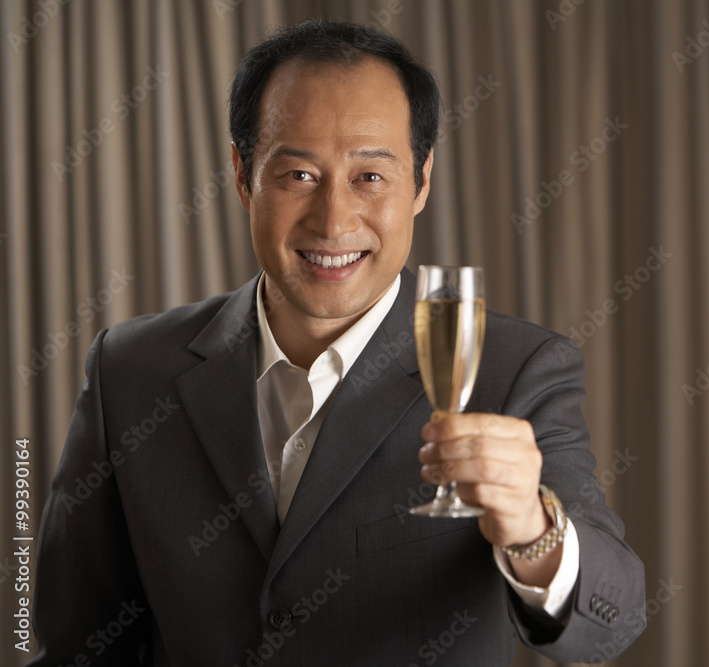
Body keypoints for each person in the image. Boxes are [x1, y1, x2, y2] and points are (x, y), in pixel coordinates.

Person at [30, 19, 646, 666]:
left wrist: (533, 530)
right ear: (243, 176)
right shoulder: (127, 372)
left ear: (423, 182)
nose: (333, 220)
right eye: (298, 174)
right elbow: (76, 646)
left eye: (370, 177)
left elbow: (612, 621)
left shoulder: (515, 371)